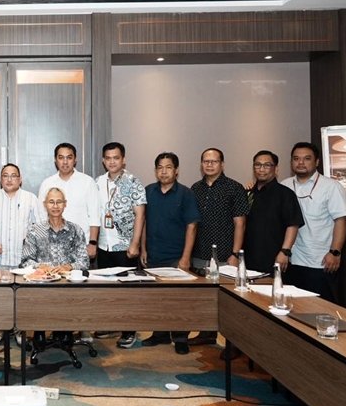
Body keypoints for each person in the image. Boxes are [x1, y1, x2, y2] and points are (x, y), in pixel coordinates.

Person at [37, 143, 100, 343]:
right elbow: (40, 216)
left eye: (69, 157)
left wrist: (92, 242)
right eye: (61, 157)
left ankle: (84, 328)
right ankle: (58, 329)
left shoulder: (87, 182)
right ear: (55, 160)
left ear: (75, 159)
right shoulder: (47, 183)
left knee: (80, 291)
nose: (65, 161)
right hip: (53, 244)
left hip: (79, 245)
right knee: (56, 291)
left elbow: (94, 214)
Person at [188, 148, 249, 347]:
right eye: (206, 161)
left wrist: (235, 254)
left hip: (225, 254)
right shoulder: (195, 188)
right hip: (200, 252)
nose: (209, 165)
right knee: (203, 298)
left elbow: (240, 223)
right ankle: (206, 334)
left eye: (214, 161)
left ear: (222, 164)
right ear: (201, 164)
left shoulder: (234, 188)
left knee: (227, 301)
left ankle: (232, 344)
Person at [140, 152, 200, 355]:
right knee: (157, 299)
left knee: (179, 300)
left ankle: (181, 338)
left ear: (176, 170)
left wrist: (185, 258)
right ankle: (160, 334)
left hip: (177, 257)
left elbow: (192, 226)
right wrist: (143, 248)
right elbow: (143, 222)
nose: (163, 172)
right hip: (154, 255)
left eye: (168, 167)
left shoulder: (185, 194)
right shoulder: (148, 191)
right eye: (160, 167)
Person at [0, 163, 41, 344]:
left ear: (20, 179)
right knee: (1, 296)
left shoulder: (31, 198)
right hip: (1, 257)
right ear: (0, 179)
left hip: (24, 259)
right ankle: (1, 328)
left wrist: (31, 243)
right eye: (5, 175)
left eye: (13, 175)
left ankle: (20, 330)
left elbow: (40, 225)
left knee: (22, 296)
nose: (9, 179)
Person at [281, 142, 346, 303]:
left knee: (321, 309)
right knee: (292, 307)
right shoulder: (284, 185)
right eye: (296, 158)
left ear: (317, 161)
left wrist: (335, 252)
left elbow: (341, 220)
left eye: (307, 159)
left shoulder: (331, 186)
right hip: (290, 260)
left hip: (320, 261)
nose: (300, 163)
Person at [21, 187, 89, 349]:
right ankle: (40, 331)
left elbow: (84, 261)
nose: (55, 206)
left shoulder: (75, 230)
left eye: (59, 202)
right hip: (42, 287)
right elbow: (25, 261)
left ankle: (64, 333)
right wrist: (41, 267)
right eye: (51, 202)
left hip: (68, 287)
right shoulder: (35, 230)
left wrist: (68, 267)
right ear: (45, 204)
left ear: (65, 204)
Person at [95, 142, 146, 349]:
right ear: (103, 160)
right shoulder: (98, 182)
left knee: (127, 290)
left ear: (123, 160)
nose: (112, 162)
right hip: (103, 244)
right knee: (107, 290)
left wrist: (135, 243)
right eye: (108, 158)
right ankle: (111, 325)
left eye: (116, 158)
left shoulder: (133, 181)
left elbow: (140, 214)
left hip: (125, 246)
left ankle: (129, 330)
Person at [244, 150, 304, 274]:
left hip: (274, 258)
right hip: (248, 258)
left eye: (267, 165)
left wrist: (285, 252)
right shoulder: (248, 193)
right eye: (258, 165)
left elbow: (293, 225)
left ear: (276, 169)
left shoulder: (285, 194)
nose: (261, 169)